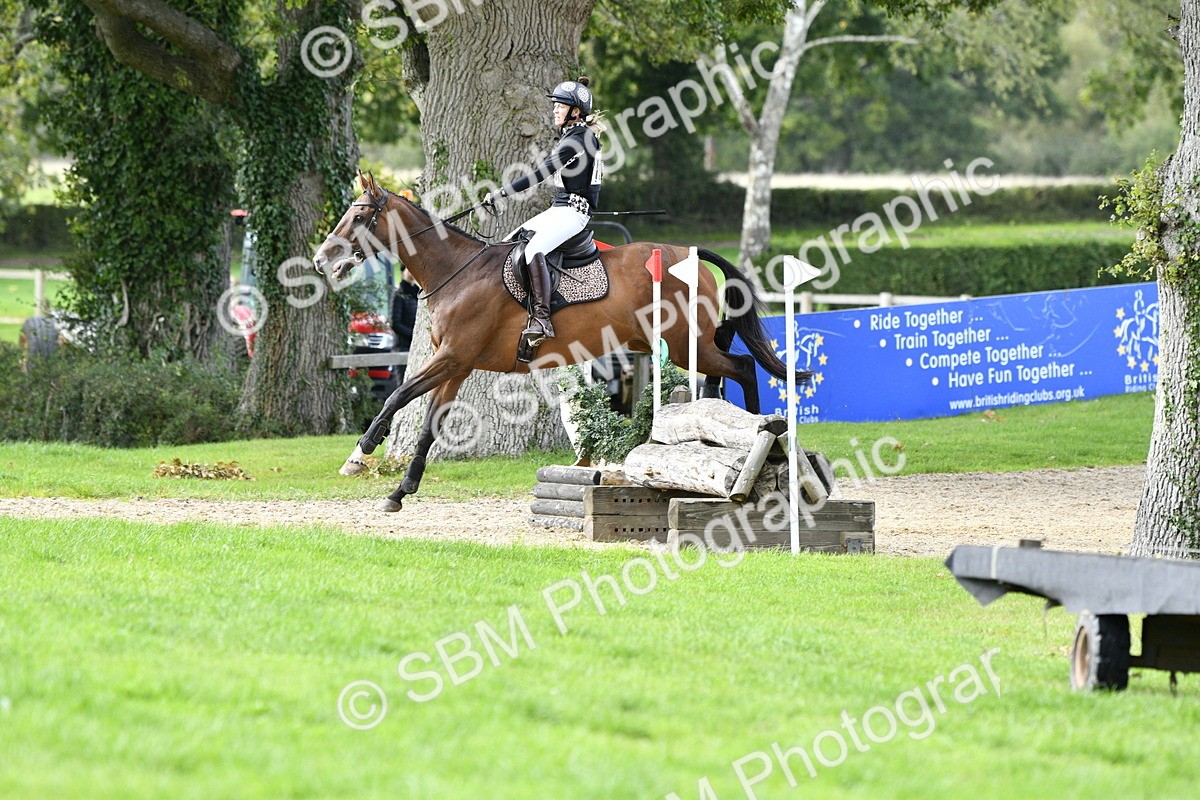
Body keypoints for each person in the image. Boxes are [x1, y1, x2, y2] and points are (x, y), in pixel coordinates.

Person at [484, 76, 604, 344]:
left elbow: (540, 172)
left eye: (559, 106)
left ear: (575, 111)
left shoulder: (578, 139)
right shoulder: (572, 136)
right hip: (559, 208)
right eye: (555, 106)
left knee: (533, 249)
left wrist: (502, 192)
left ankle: (542, 318)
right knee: (507, 246)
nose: (554, 110)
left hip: (574, 212)